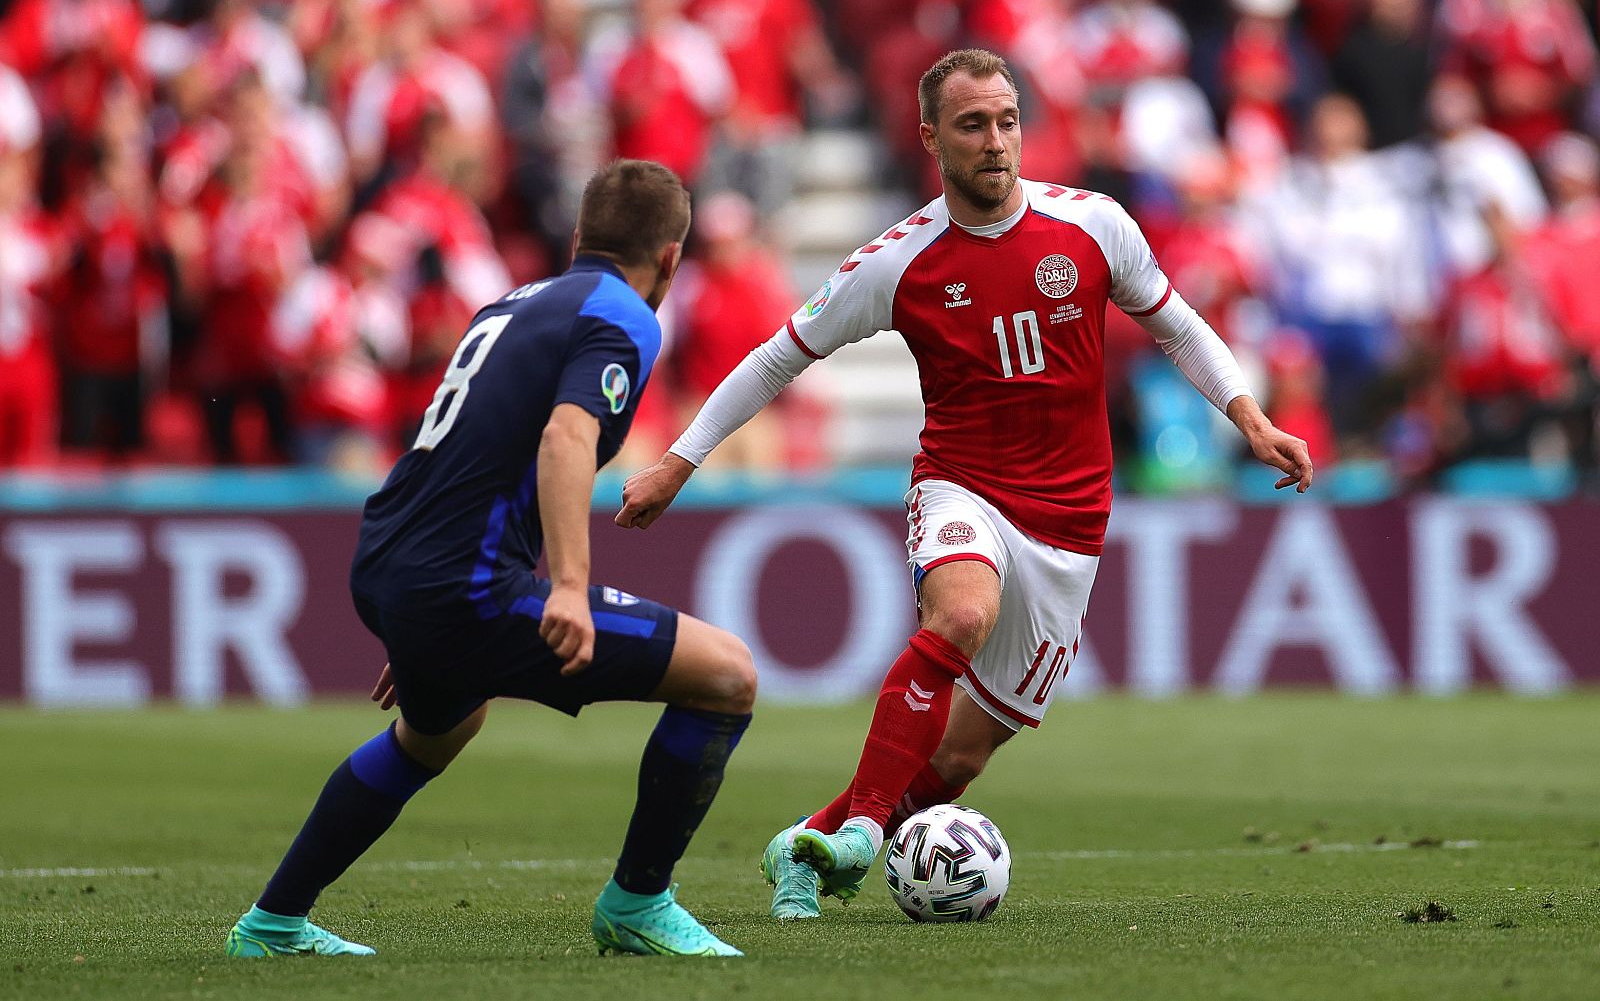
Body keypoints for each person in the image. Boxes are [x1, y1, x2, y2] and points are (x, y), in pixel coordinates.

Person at [617, 49, 1313, 921]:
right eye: (973, 124)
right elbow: (778, 356)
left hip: (1070, 524)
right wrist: (679, 459)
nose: (995, 141)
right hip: (962, 487)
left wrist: (1251, 418)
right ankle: (867, 832)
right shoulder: (897, 262)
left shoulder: (1094, 226)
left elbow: (1177, 325)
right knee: (961, 614)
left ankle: (807, 843)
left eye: (1008, 120)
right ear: (930, 137)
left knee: (960, 761)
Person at [226, 160, 756, 959]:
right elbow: (566, 437)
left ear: (579, 237)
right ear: (673, 260)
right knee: (729, 675)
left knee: (437, 731)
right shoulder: (623, 318)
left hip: (390, 555)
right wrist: (568, 588)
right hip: (457, 583)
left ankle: (272, 922)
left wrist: (420, 617)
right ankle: (639, 900)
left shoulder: (511, 303)